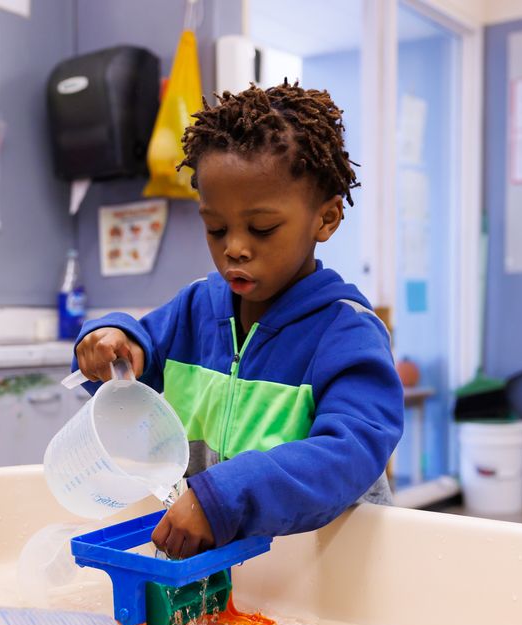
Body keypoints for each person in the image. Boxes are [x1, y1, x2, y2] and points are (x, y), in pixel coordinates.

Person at [73, 81, 403, 559]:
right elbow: (136, 357)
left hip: (327, 569)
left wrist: (222, 498)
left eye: (262, 228)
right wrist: (111, 342)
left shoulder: (347, 333)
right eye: (216, 227)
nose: (234, 247)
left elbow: (349, 452)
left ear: (326, 219)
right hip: (232, 567)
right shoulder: (196, 309)